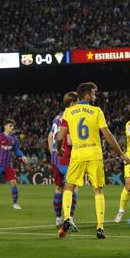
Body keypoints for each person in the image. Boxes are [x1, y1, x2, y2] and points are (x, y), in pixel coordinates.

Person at [57, 82, 130, 239]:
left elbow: (60, 136)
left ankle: (67, 218)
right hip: (94, 154)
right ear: (88, 95)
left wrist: (60, 148)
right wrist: (121, 154)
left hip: (77, 154)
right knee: (98, 190)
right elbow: (108, 135)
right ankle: (100, 228)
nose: (95, 96)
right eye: (94, 93)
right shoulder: (97, 111)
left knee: (69, 187)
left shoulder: (68, 112)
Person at [47, 91, 79, 230]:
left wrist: (53, 153)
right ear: (72, 103)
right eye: (77, 102)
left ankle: (58, 219)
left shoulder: (57, 117)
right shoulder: (72, 116)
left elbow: (50, 137)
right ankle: (69, 219)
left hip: (55, 157)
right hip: (67, 157)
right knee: (72, 188)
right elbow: (69, 140)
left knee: (59, 187)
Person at [0, 119, 29, 210]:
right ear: (5, 126)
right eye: (10, 126)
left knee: (14, 182)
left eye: (13, 126)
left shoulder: (14, 138)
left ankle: (15, 203)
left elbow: (16, 149)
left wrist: (23, 156)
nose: (12, 127)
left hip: (8, 165)